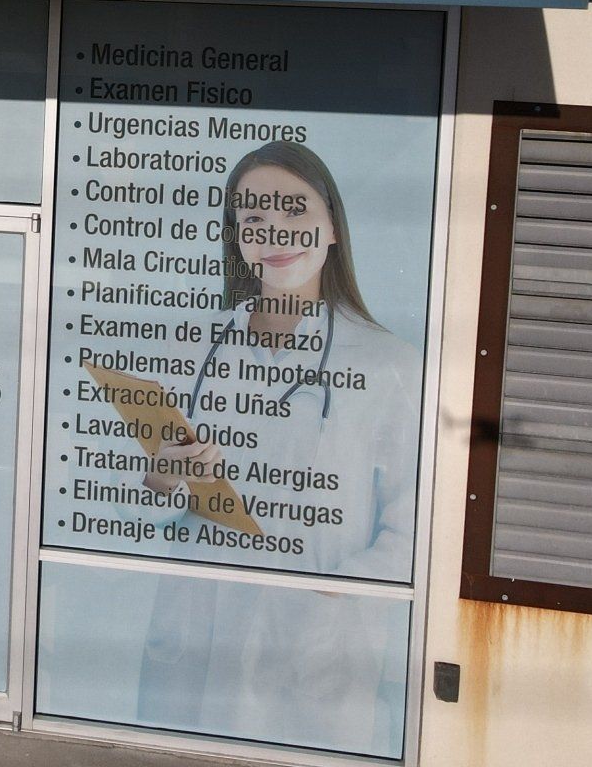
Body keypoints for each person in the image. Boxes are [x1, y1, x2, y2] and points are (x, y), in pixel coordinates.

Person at [128, 140, 418, 755]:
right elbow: (145, 509)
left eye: (293, 212)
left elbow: (412, 527)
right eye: (253, 218)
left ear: (332, 228)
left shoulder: (390, 365)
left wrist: (332, 591)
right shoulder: (195, 350)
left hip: (313, 646)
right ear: (236, 236)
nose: (273, 232)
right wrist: (165, 479)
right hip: (198, 635)